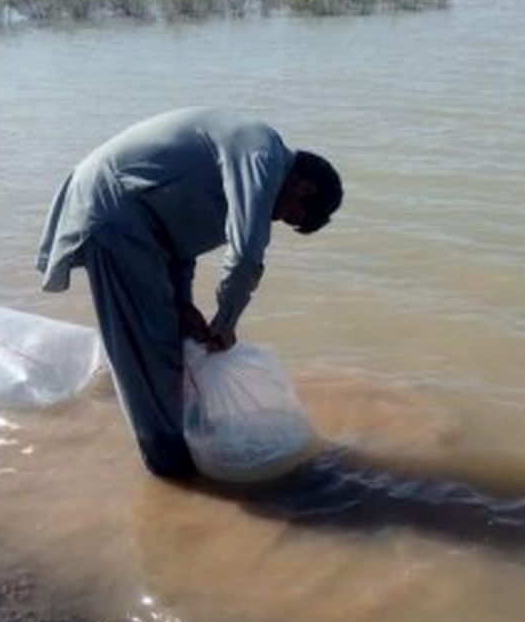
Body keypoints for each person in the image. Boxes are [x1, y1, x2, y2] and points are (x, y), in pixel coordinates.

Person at [36, 107, 343, 478]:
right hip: (117, 211)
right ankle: (171, 468)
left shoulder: (252, 163)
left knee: (174, 339)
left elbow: (180, 240)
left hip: (140, 220)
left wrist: (184, 304)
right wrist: (225, 322)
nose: (277, 219)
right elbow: (246, 255)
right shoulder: (262, 154)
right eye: (289, 215)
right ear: (304, 186)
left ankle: (187, 444)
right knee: (149, 352)